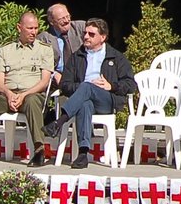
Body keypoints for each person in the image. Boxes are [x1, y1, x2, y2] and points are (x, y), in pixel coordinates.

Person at [0, 12, 55, 167]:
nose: (33, 32)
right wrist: (9, 94)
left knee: (31, 101)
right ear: (19, 27)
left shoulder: (45, 50)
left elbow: (44, 82)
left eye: (36, 28)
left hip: (31, 95)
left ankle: (39, 150)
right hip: (7, 95)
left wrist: (23, 95)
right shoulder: (6, 50)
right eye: (30, 28)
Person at [48, 21, 134, 168]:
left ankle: (60, 121)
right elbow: (65, 84)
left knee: (87, 87)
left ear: (103, 37)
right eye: (85, 33)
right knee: (85, 103)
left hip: (106, 100)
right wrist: (83, 88)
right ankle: (83, 154)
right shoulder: (77, 57)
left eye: (91, 34)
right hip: (82, 100)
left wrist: (111, 86)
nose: (86, 37)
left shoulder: (116, 57)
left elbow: (131, 84)